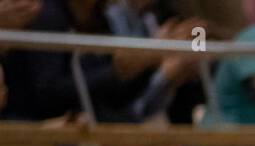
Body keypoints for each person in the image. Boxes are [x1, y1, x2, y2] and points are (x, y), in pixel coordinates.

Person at [1, 0, 163, 121]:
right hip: (31, 133)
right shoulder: (48, 15)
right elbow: (47, 94)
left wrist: (144, 68)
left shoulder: (101, 20)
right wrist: (114, 72)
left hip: (79, 133)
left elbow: (111, 99)